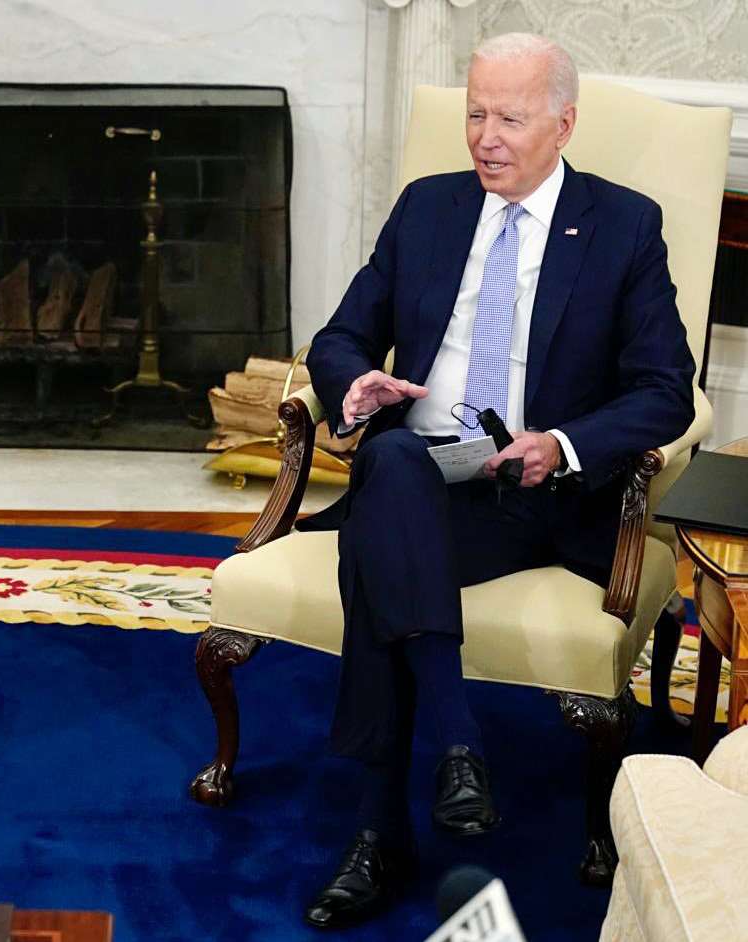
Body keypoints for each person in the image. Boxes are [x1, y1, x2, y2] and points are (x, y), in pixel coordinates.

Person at [296, 33, 696, 929]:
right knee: (394, 463)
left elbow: (666, 390)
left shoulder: (624, 225)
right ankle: (458, 744)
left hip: (533, 494)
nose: (485, 137)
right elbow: (339, 336)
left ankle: (378, 835)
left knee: (378, 543)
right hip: (424, 471)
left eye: (509, 118)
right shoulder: (428, 208)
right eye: (475, 114)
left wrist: (560, 441)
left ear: (563, 123)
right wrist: (353, 383)